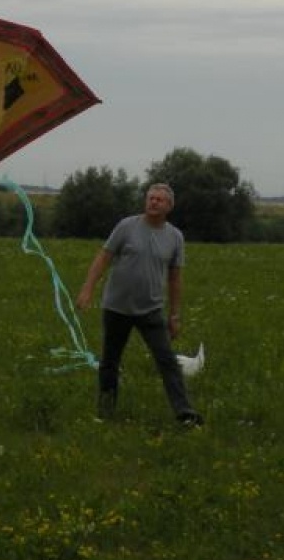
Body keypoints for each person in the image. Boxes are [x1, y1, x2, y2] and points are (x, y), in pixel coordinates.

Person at [76, 183, 203, 426]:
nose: (153, 202)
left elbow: (175, 278)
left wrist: (175, 315)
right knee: (110, 361)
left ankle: (185, 413)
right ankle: (105, 413)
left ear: (169, 207)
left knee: (166, 360)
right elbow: (104, 257)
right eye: (150, 198)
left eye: (159, 200)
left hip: (151, 310)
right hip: (116, 307)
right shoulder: (127, 226)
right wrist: (88, 288)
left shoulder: (175, 237)